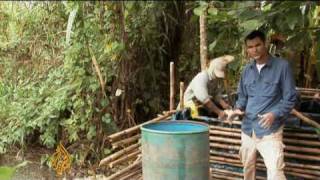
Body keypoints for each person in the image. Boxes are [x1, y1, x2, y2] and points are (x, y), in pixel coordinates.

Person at [228, 30, 297, 180]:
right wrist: (237, 110)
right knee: (248, 169)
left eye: (258, 45)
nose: (255, 49)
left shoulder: (282, 67)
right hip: (247, 129)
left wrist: (275, 114)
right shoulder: (247, 70)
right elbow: (242, 97)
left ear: (265, 44)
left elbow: (290, 98)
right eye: (250, 47)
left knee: (275, 171)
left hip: (270, 130)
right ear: (247, 49)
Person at [181, 55, 234, 119]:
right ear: (212, 69)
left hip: (202, 106)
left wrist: (224, 105)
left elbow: (215, 94)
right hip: (190, 107)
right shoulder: (202, 78)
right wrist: (219, 112)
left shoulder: (214, 79)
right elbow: (205, 100)